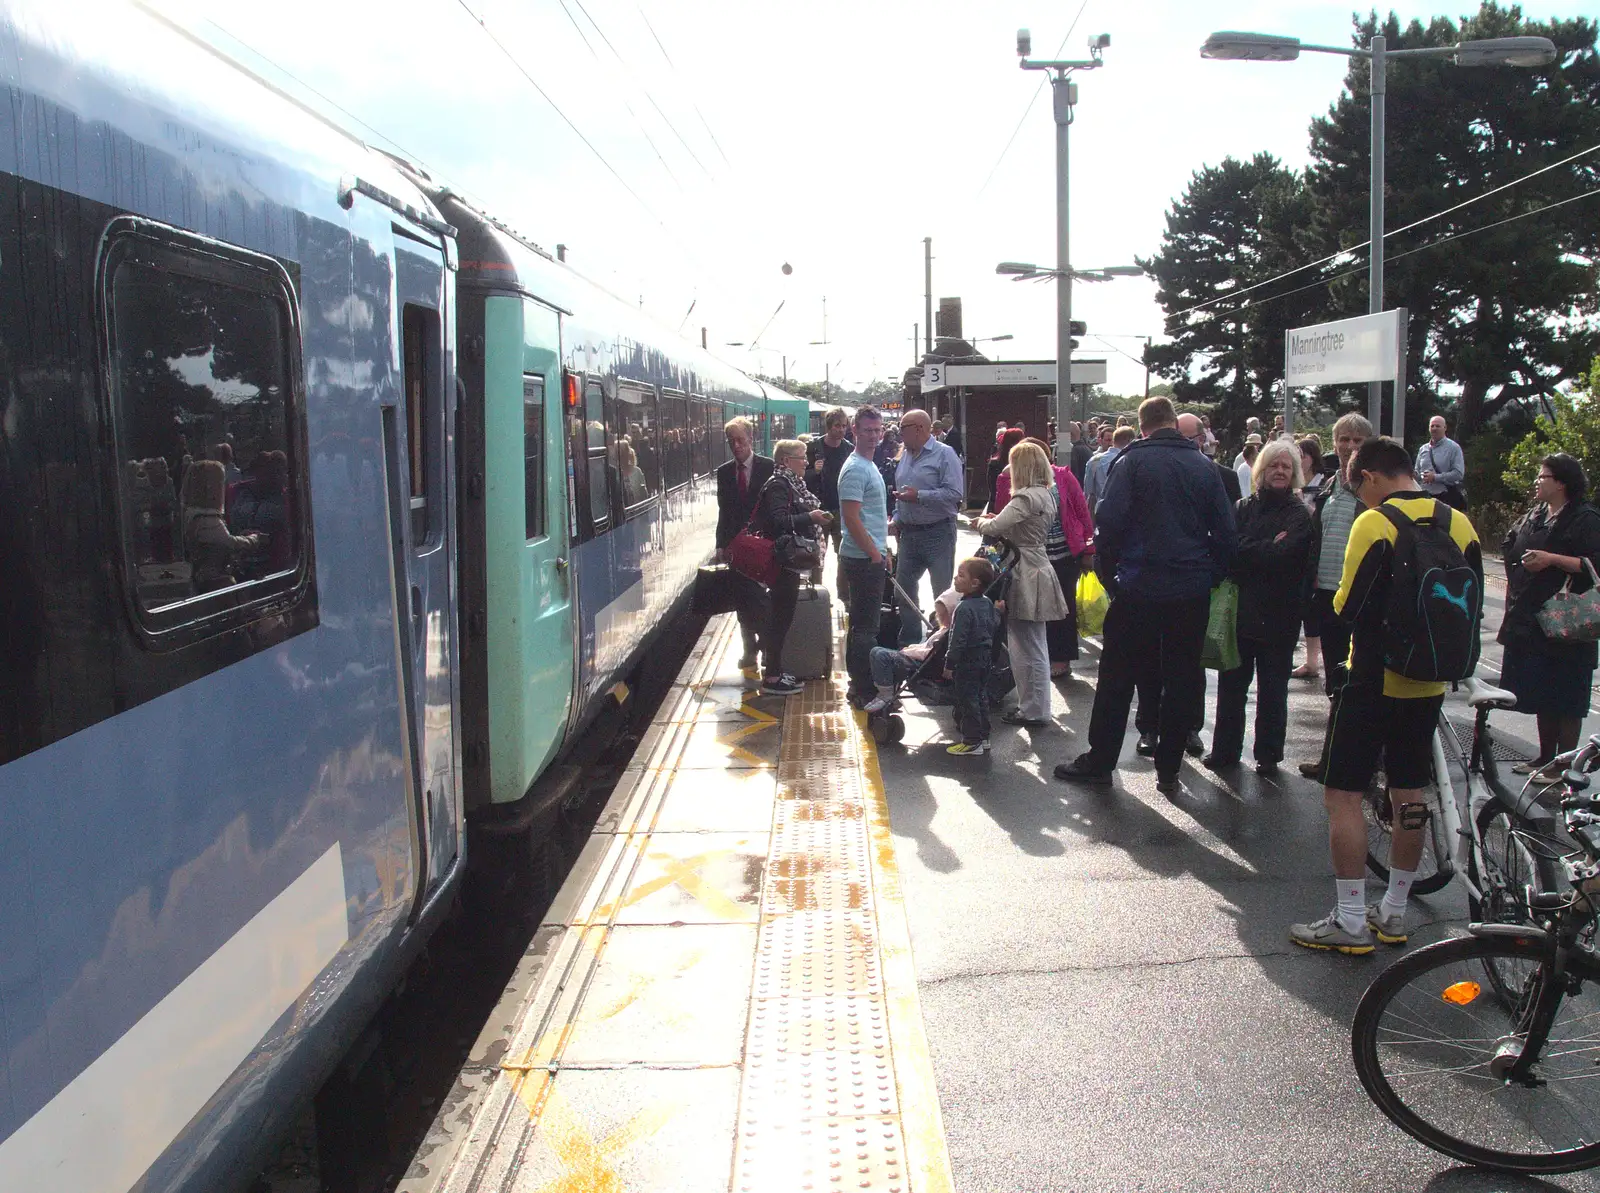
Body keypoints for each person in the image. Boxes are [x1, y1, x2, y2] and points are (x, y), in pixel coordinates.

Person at [1290, 437, 1482, 953]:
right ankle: (1394, 910)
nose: (1361, 497)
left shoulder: (1374, 524)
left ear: (1372, 475)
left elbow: (1347, 605)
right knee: (1409, 792)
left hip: (1372, 677)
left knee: (1343, 794)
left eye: (1359, 486)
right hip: (1429, 681)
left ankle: (1351, 919)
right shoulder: (1458, 523)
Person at [1055, 397, 1235, 794]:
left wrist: (1113, 577)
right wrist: (1208, 576)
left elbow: (1109, 523)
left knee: (1118, 677)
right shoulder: (1204, 468)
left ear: (1142, 427)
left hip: (1138, 585)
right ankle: (1169, 769)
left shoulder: (1130, 463)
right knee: (1182, 677)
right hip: (1189, 588)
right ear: (1174, 423)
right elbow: (1225, 532)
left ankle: (1101, 760)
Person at [1203, 441, 1311, 774]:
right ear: (1260, 470)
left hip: (1280, 615)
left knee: (1273, 690)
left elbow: (1288, 555)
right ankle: (1225, 751)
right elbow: (1227, 549)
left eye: (1287, 466)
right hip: (1241, 612)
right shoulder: (1242, 507)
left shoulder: (1300, 514)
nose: (1280, 471)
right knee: (1232, 687)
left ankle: (1268, 755)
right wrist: (1266, 547)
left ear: (1294, 473)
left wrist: (1251, 549)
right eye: (1274, 465)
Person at [1497, 452, 1600, 779]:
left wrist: (1552, 559)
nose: (1537, 482)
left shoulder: (1585, 518)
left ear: (1562, 482)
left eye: (1543, 477)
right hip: (1534, 620)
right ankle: (1544, 758)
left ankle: (1564, 768)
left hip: (1569, 621)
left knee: (1567, 696)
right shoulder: (1536, 514)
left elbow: (1593, 564)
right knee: (1543, 691)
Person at [970, 441, 1069, 727]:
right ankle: (1037, 706)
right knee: (1036, 643)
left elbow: (995, 527)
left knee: (1023, 645)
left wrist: (981, 522)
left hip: (1023, 568)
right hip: (1039, 565)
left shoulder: (1024, 497)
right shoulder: (1047, 494)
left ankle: (1033, 709)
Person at [1295, 413, 1372, 771]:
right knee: (1335, 682)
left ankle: (1363, 761)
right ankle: (1336, 759)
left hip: (1364, 598)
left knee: (1363, 682)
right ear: (1335, 443)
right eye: (1345, 439)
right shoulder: (1326, 487)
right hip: (1327, 596)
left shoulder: (1375, 489)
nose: (1351, 447)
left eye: (1358, 441)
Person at [994, 438, 1092, 675]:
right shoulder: (1007, 478)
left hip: (1062, 554)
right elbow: (1000, 514)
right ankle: (1030, 664)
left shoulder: (1064, 477)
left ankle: (1060, 660)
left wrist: (1088, 548)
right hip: (1025, 557)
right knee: (1028, 611)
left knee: (1062, 609)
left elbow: (1082, 512)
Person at [751, 439, 831, 697]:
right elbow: (777, 521)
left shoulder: (790, 484)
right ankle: (772, 676)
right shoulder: (779, 485)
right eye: (801, 457)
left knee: (782, 617)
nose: (806, 462)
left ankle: (776, 669)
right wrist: (810, 517)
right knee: (779, 617)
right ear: (786, 461)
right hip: (781, 562)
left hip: (786, 562)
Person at [890, 409, 965, 647]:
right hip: (909, 534)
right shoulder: (906, 455)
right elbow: (901, 495)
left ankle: (941, 642)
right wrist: (897, 517)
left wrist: (919, 496)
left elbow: (955, 494)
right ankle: (911, 640)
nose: (900, 435)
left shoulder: (945, 454)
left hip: (938, 533)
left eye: (903, 429)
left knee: (941, 593)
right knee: (902, 590)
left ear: (920, 428)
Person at [838, 407, 891, 706]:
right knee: (866, 628)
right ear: (855, 431)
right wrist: (874, 554)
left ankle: (858, 684)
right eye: (868, 430)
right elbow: (851, 517)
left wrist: (882, 551)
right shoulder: (857, 468)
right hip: (861, 558)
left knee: (862, 625)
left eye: (878, 430)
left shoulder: (867, 465)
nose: (874, 436)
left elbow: (869, 516)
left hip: (867, 555)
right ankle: (863, 688)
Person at [715, 416, 775, 670]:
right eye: (731, 441)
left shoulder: (768, 467)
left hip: (762, 545)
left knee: (762, 597)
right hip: (736, 547)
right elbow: (724, 511)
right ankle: (750, 649)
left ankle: (767, 644)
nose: (736, 446)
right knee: (742, 600)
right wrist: (720, 544)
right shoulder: (724, 472)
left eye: (740, 440)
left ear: (751, 439)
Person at [864, 584, 961, 713]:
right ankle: (886, 692)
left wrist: (909, 651)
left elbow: (928, 653)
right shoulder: (942, 630)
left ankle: (885, 694)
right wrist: (911, 648)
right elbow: (926, 646)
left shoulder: (948, 634)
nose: (940, 618)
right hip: (921, 658)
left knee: (881, 655)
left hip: (924, 664)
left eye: (943, 615)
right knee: (876, 651)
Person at [944, 557, 1001, 756]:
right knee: (981, 697)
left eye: (961, 576)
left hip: (968, 661)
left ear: (974, 583)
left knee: (967, 700)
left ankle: (971, 741)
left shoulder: (964, 608)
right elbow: (993, 625)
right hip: (984, 659)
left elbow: (957, 639)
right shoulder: (986, 604)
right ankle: (984, 737)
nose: (955, 579)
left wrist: (950, 664)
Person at [180, 459, 263, 592]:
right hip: (213, 581)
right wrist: (254, 539)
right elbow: (230, 543)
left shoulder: (191, 514)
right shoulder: (207, 518)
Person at [806, 408, 854, 597]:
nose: (841, 430)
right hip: (819, 509)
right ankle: (817, 595)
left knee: (845, 554)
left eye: (844, 426)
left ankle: (845, 595)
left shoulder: (849, 448)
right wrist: (814, 472)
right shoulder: (813, 448)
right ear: (829, 427)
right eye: (837, 426)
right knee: (817, 556)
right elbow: (801, 478)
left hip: (843, 509)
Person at [1416, 414, 1467, 510]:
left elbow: (1458, 474)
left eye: (1438, 426)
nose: (1434, 428)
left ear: (1445, 428)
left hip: (1446, 498)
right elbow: (1417, 473)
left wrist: (1435, 477)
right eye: (1432, 426)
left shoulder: (1453, 448)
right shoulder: (1423, 449)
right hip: (1426, 498)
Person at [1084, 426, 1133, 517]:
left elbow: (1088, 492)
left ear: (1114, 440)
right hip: (1126, 515)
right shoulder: (1131, 461)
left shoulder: (1094, 461)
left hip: (1101, 513)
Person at [986, 427, 1026, 514]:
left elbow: (992, 490)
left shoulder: (994, 463)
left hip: (996, 509)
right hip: (1015, 510)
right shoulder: (1024, 465)